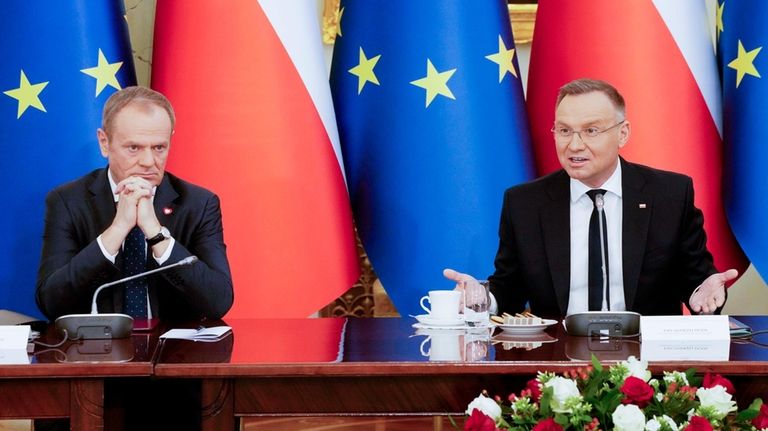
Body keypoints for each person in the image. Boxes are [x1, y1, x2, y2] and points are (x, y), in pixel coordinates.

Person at [445, 78, 737, 318]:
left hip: (649, 362)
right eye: (564, 131)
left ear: (622, 134)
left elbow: (697, 281)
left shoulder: (670, 195)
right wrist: (482, 298)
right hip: (557, 364)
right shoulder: (524, 204)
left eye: (591, 131)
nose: (574, 144)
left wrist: (705, 291)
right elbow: (509, 290)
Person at [36, 86, 233, 322]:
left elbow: (218, 302)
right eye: (134, 148)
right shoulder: (68, 201)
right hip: (97, 352)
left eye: (159, 147)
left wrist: (156, 234)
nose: (149, 162)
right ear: (104, 142)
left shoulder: (198, 204)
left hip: (173, 352)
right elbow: (51, 302)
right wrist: (118, 230)